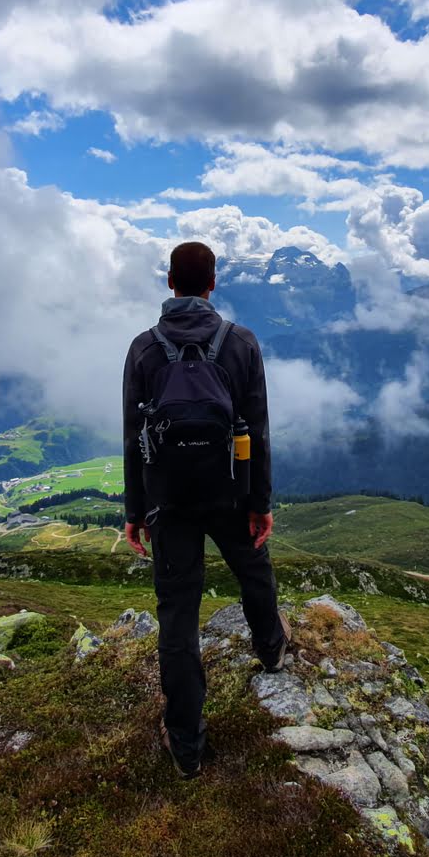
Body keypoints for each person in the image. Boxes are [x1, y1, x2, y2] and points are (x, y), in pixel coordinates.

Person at [122, 240, 289, 779]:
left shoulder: (143, 349)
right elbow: (257, 430)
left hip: (168, 501)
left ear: (169, 283)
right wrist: (259, 503)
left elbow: (132, 437)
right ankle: (271, 650)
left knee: (178, 617)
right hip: (232, 491)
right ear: (213, 283)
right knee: (253, 572)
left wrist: (135, 510)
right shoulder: (240, 342)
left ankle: (187, 746)